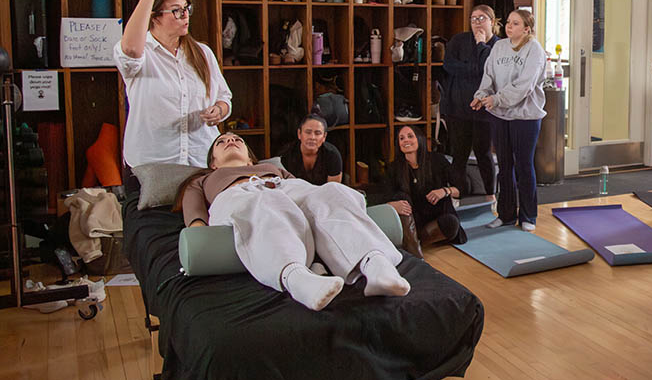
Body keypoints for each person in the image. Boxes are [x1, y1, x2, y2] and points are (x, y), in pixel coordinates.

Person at [178, 133, 410, 311]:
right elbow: (195, 214)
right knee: (265, 205)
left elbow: (308, 195)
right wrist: (200, 239)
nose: (231, 140)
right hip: (241, 196)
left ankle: (375, 265)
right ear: (214, 163)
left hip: (283, 188)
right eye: (222, 142)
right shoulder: (202, 180)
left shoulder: (273, 169)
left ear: (249, 157)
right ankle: (298, 279)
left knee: (332, 192)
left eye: (237, 139)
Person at [115, 0, 232, 168]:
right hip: (153, 166)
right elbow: (130, 50)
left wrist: (219, 111)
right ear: (154, 16)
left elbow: (224, 97)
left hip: (202, 160)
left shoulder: (202, 53)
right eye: (177, 11)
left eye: (187, 8)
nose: (186, 16)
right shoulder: (142, 51)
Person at [472, 9, 545, 231]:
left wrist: (497, 98)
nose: (509, 26)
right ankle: (505, 214)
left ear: (526, 29)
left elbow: (525, 85)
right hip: (499, 115)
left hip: (525, 116)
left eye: (515, 23)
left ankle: (528, 216)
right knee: (504, 166)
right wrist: (481, 96)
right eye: (508, 23)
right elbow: (489, 76)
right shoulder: (499, 46)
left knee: (523, 165)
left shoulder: (534, 50)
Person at [441, 5, 500, 201]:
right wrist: (474, 68)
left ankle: (490, 195)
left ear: (492, 21)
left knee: (484, 153)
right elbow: (449, 65)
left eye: (481, 18)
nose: (476, 22)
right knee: (459, 153)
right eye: (473, 18)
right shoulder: (459, 40)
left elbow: (490, 69)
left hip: (486, 110)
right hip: (458, 107)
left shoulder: (499, 45)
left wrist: (480, 47)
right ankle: (456, 194)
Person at [384, 125, 467, 256]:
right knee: (401, 197)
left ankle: (414, 242)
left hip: (437, 216)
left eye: (410, 136)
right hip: (413, 218)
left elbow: (463, 188)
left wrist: (445, 191)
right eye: (401, 138)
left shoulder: (437, 160)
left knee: (451, 223)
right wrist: (392, 205)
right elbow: (384, 197)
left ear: (420, 139)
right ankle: (414, 251)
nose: (406, 140)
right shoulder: (394, 167)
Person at [279, 114, 342, 185]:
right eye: (308, 132)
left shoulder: (332, 155)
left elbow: (333, 189)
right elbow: (282, 185)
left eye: (317, 133)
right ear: (299, 134)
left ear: (324, 136)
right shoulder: (287, 153)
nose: (312, 137)